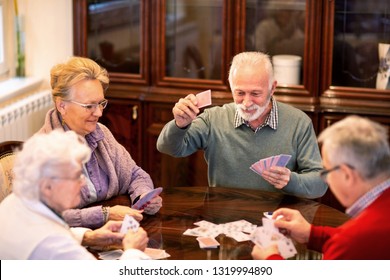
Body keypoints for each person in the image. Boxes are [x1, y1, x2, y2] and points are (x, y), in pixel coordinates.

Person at [156, 51, 327, 198]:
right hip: (223, 220)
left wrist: (291, 180)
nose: (246, 102)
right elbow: (168, 148)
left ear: (272, 88)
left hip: (276, 221)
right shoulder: (214, 119)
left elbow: (319, 184)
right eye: (240, 93)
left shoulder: (298, 122)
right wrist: (180, 124)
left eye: (255, 93)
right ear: (231, 88)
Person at [39, 56, 162, 229]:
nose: (99, 113)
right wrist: (105, 214)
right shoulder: (42, 152)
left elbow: (134, 174)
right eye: (89, 106)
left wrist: (143, 196)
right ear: (62, 106)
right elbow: (49, 216)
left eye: (101, 103)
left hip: (111, 234)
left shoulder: (100, 133)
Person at [252, 115, 390, 260]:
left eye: (326, 171)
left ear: (347, 175)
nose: (327, 179)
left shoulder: (351, 241)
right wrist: (311, 234)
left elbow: (353, 242)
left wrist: (270, 259)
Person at [0, 130, 150, 259]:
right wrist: (133, 252)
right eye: (76, 176)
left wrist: (87, 237)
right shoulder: (55, 246)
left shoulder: (13, 202)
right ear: (47, 186)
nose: (83, 183)